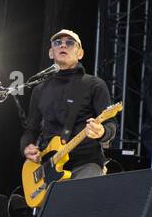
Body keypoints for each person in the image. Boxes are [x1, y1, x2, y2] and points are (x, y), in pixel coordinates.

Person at [19, 30, 116, 180]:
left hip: (85, 163)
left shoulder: (94, 85)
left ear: (80, 53)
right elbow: (31, 130)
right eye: (58, 43)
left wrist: (102, 132)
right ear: (51, 53)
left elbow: (111, 123)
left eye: (70, 43)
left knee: (80, 200)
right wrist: (27, 147)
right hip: (49, 166)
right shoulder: (40, 89)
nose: (63, 45)